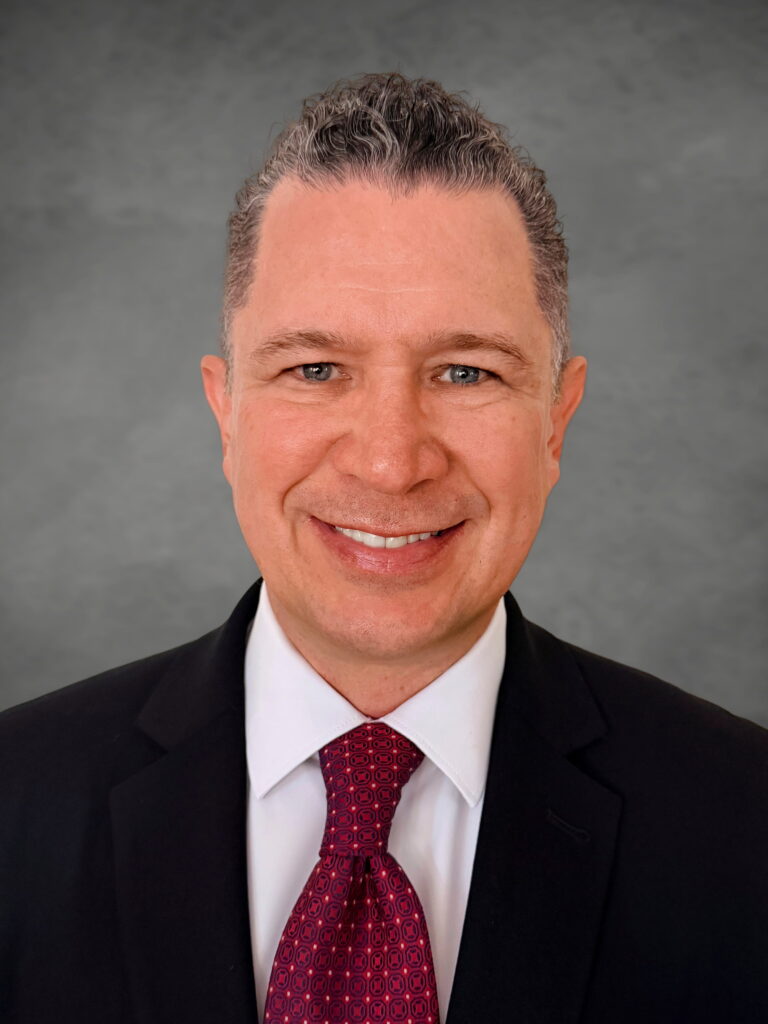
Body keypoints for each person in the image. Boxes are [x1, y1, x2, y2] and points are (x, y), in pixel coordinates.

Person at [1, 72, 766, 1024]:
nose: (391, 461)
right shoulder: (15, 804)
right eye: (316, 368)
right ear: (227, 414)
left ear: (556, 421)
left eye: (466, 372)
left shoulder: (744, 823)